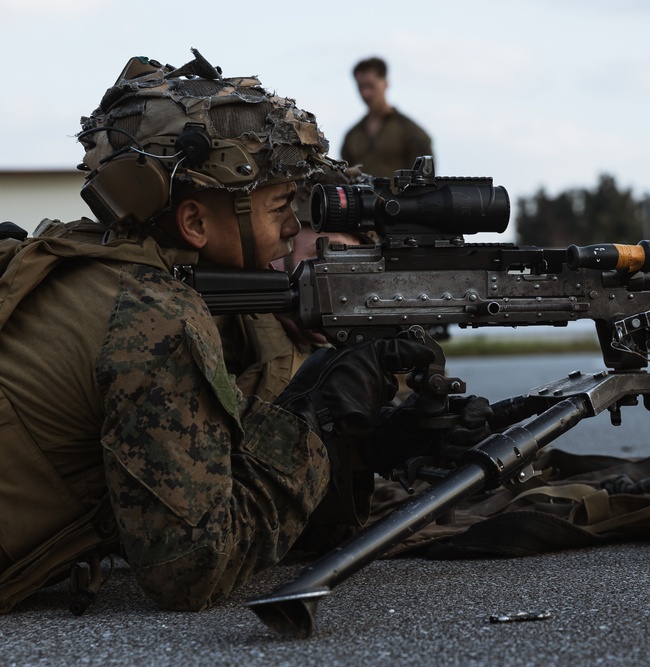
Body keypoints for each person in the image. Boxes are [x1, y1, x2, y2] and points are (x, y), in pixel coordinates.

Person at [0, 49, 488, 614]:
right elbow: (192, 568)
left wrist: (361, 447)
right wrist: (316, 419)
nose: (291, 226)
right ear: (195, 222)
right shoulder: (155, 316)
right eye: (279, 205)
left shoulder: (78, 259)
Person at [340, 57, 433, 178]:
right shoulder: (352, 136)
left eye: (371, 86)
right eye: (361, 87)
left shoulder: (410, 131)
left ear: (385, 84)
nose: (365, 93)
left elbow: (425, 179)